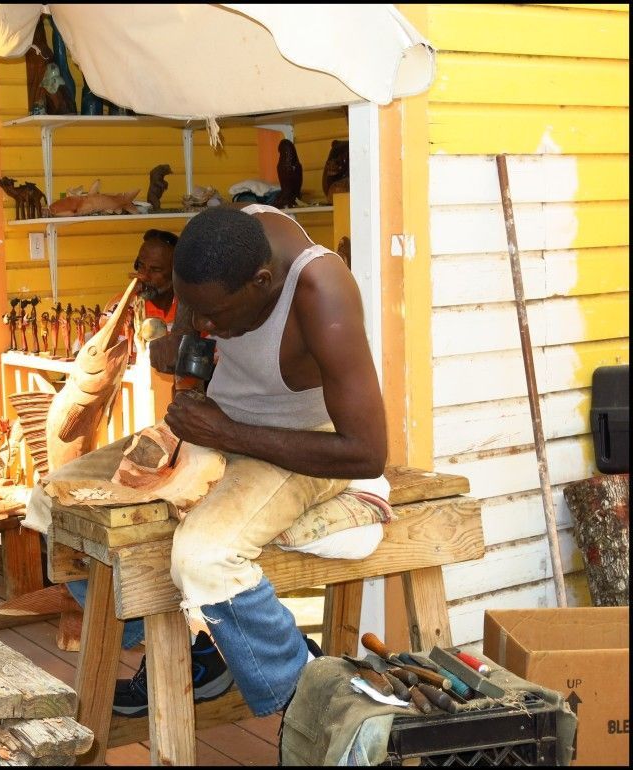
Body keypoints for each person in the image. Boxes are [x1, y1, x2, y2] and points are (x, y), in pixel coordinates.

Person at [26, 204, 389, 719]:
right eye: (188, 306)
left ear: (262, 283)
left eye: (211, 315)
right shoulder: (224, 245)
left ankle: (313, 705)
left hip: (306, 445)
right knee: (51, 504)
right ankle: (193, 644)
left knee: (204, 557)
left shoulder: (321, 292)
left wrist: (228, 432)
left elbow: (367, 451)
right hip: (215, 429)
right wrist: (181, 353)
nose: (199, 323)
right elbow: (193, 336)